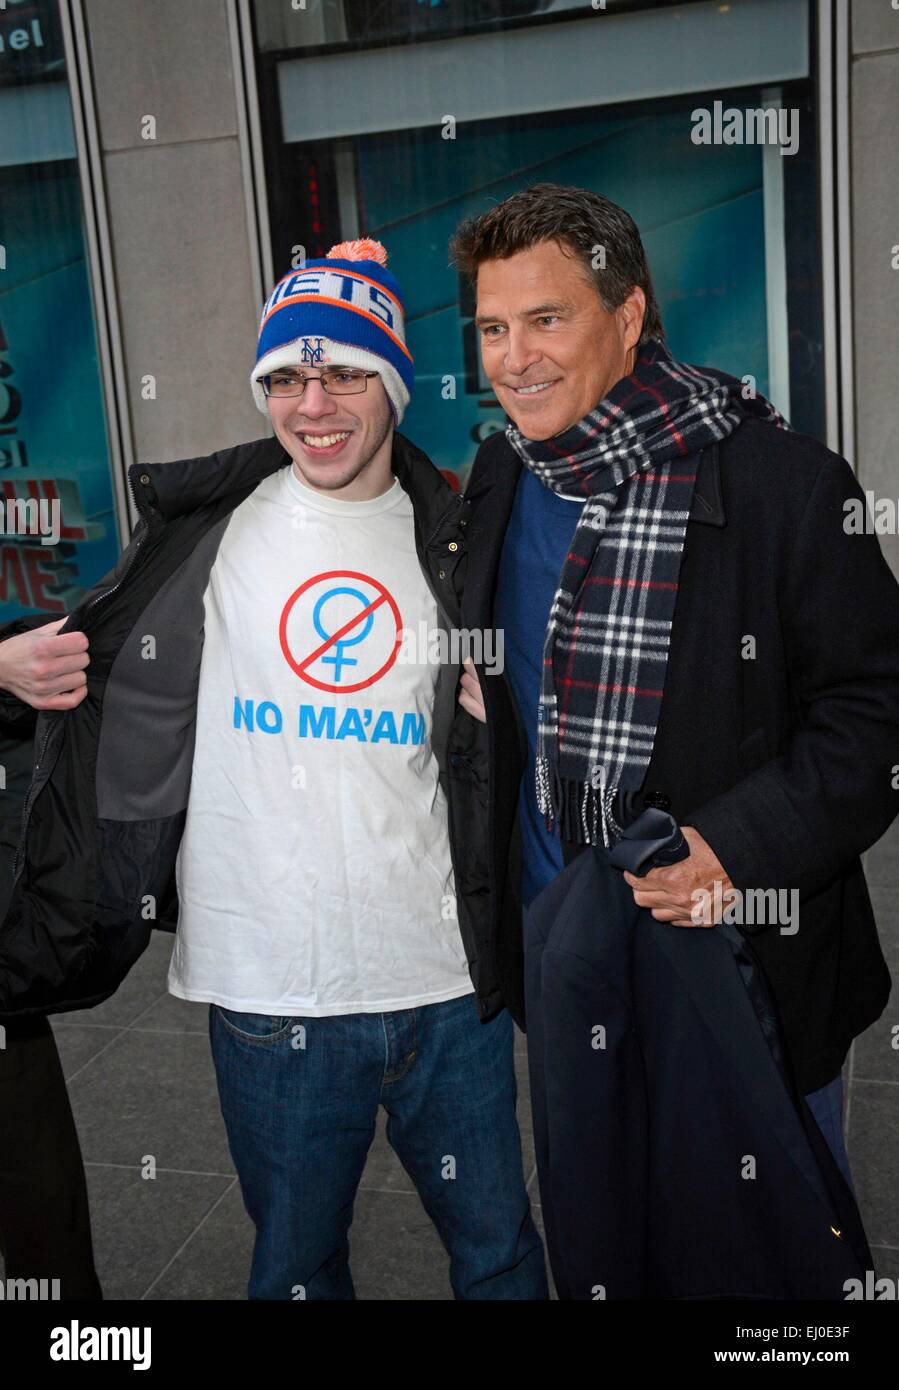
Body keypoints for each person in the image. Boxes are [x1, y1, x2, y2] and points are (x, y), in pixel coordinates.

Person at [0, 239, 547, 1301]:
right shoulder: (201, 537)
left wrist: (506, 719)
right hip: (264, 991)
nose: (314, 404)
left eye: (343, 371)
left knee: (500, 1255)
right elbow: (83, 662)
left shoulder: (459, 538)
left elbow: (529, 715)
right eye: (286, 378)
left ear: (390, 383)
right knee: (295, 1269)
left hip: (442, 984)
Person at [445, 182, 899, 1197]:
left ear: (629, 314)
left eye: (546, 319)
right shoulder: (498, 475)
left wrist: (736, 848)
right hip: (565, 958)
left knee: (769, 1264)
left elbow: (876, 712)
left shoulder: (784, 485)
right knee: (609, 1236)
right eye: (491, 328)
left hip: (738, 968)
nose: (514, 358)